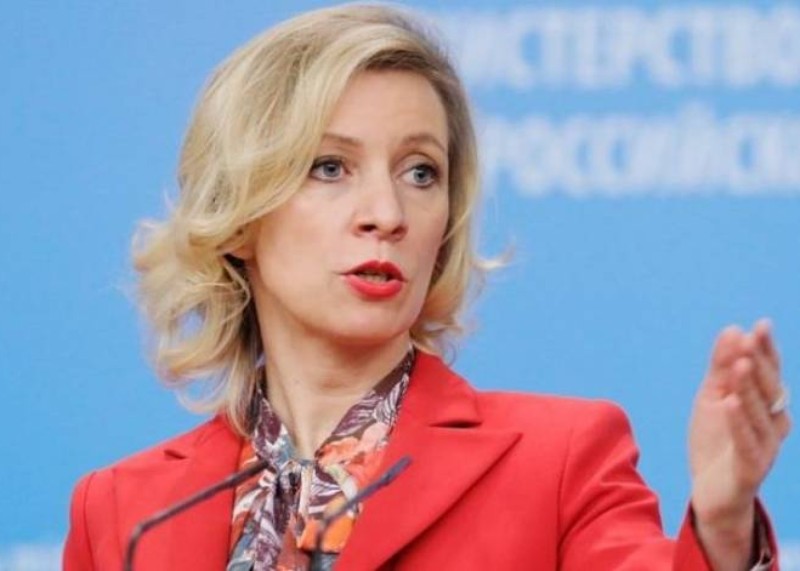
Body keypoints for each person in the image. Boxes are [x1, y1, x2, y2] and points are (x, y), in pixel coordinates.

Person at [63, 4, 791, 571]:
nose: (387, 214)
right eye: (330, 168)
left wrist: (722, 529)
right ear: (240, 216)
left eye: (420, 172)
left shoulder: (559, 460)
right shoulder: (121, 510)